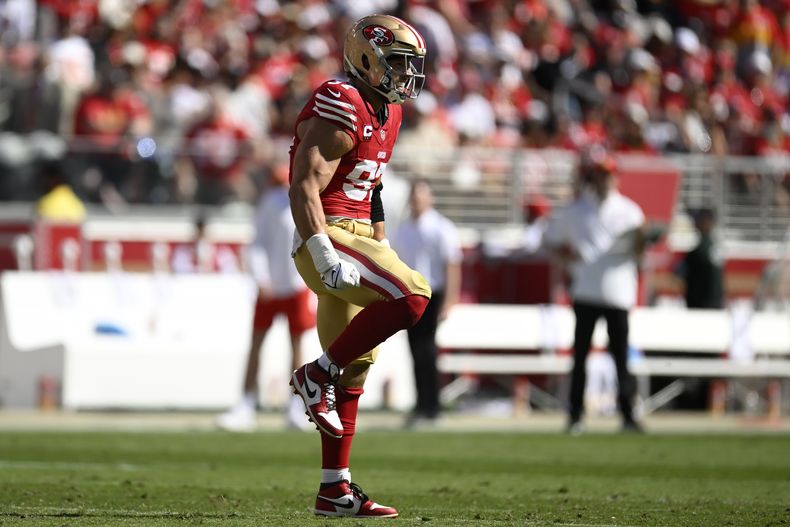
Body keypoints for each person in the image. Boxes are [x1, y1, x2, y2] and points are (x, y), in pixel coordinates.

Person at [287, 14, 431, 518]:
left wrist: (383, 244)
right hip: (327, 235)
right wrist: (323, 250)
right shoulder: (341, 99)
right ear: (367, 57)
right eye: (397, 63)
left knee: (355, 367)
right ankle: (314, 376)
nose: (405, 75)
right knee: (414, 295)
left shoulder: (387, 109)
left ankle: (334, 489)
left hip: (361, 237)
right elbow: (305, 182)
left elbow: (371, 189)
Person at [543, 144, 647, 434]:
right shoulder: (578, 210)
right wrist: (566, 257)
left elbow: (639, 251)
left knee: (621, 358)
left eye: (610, 175)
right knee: (580, 358)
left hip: (618, 294)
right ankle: (575, 415)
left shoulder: (629, 211)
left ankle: (628, 414)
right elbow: (549, 240)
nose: (606, 181)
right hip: (587, 292)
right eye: (601, 175)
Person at [216, 166, 317, 432]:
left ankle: (296, 406)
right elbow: (258, 243)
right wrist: (261, 278)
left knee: (297, 347)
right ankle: (246, 403)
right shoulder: (272, 203)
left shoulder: (305, 202)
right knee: (257, 343)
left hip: (296, 285)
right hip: (270, 285)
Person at [392, 179, 462, 427]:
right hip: (411, 294)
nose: (417, 201)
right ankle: (422, 404)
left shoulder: (441, 227)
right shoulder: (404, 229)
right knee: (415, 349)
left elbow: (452, 264)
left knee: (428, 350)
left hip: (434, 293)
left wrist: (450, 300)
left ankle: (432, 406)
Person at [677, 208, 725, 309]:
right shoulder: (716, 247)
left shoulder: (699, 251)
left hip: (701, 306)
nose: (695, 223)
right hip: (715, 304)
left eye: (698, 219)